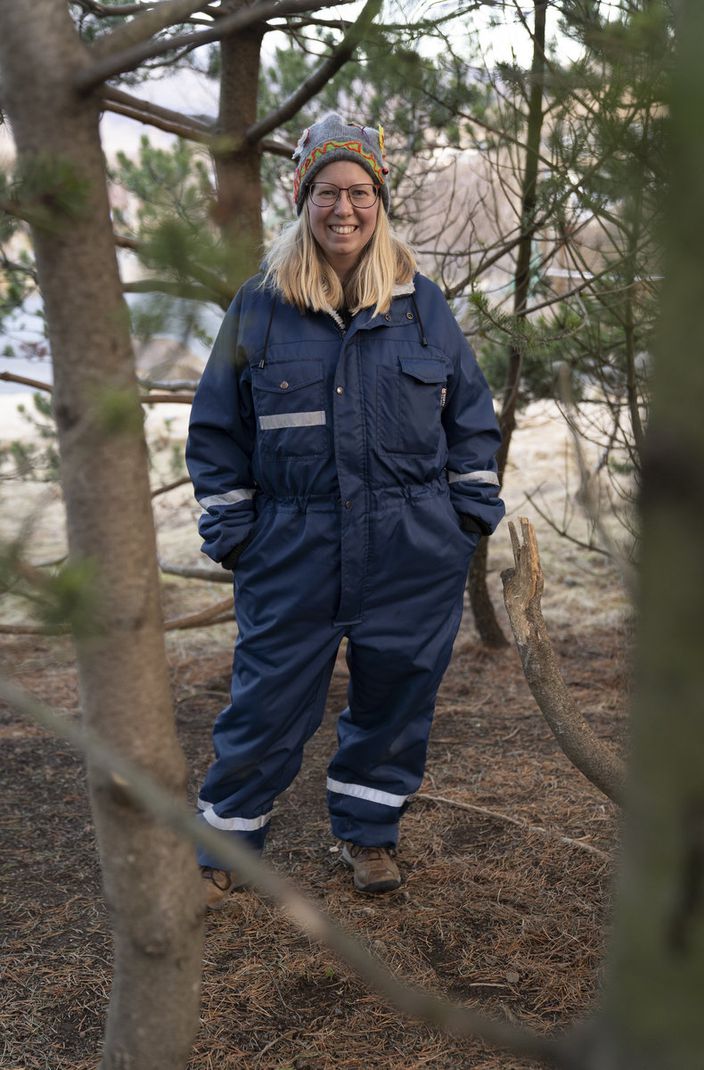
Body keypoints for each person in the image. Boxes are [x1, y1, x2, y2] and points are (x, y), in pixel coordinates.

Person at [186, 113, 505, 908]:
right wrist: (237, 536)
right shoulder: (260, 306)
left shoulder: (420, 304)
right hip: (292, 545)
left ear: (378, 198)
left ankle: (368, 834)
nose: (344, 209)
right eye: (327, 191)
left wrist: (463, 519)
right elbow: (216, 429)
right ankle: (229, 840)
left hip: (410, 544)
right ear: (303, 199)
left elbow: (469, 418)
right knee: (266, 701)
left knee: (396, 699)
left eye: (359, 191)